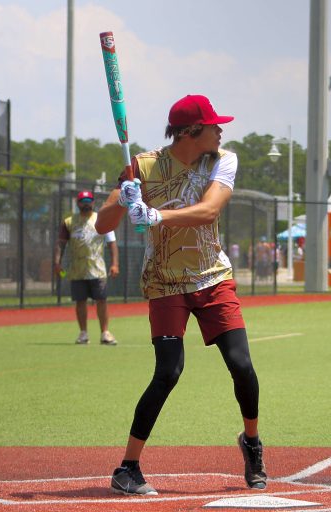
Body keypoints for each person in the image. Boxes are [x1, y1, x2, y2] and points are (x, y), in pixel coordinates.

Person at [95, 94, 267, 495]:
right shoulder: (142, 167)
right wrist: (124, 199)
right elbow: (103, 224)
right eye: (213, 125)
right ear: (192, 131)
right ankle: (128, 468)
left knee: (241, 364)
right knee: (168, 371)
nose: (220, 131)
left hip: (211, 277)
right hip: (165, 281)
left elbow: (209, 210)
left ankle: (252, 443)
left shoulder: (223, 160)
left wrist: (156, 215)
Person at [54, 190, 119, 345]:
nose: (86, 203)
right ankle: (83, 333)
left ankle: (105, 332)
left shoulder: (102, 219)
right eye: (83, 201)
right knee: (80, 301)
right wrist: (57, 262)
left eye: (88, 200)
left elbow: (112, 244)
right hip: (77, 269)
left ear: (93, 202)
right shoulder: (69, 222)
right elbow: (61, 244)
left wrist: (115, 264)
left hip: (97, 268)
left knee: (101, 300)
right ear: (77, 203)